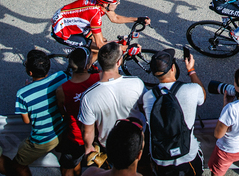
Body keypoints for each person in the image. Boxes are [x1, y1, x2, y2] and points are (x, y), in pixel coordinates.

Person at [51, 0, 150, 69]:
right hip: (63, 32)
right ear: (106, 3)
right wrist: (126, 48)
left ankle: (89, 65)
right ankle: (82, 71)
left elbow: (114, 18)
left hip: (73, 24)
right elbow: (100, 45)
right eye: (116, 2)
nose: (118, 3)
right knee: (99, 46)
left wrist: (138, 19)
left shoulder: (101, 3)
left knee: (103, 42)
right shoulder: (94, 15)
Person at [142, 49, 206, 176]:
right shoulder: (191, 90)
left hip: (161, 158)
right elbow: (202, 96)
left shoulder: (147, 97)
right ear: (172, 68)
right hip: (188, 155)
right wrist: (191, 70)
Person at [79, 42, 147, 156]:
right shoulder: (136, 83)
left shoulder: (88, 96)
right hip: (137, 138)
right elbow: (145, 107)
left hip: (109, 144)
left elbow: (88, 130)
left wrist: (88, 147)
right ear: (118, 62)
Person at [12, 49, 68, 176]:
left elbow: (26, 120)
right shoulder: (61, 76)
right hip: (62, 129)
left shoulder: (23, 94)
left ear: (30, 72)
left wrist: (28, 87)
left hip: (42, 139)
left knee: (17, 165)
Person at [55, 48, 99, 176]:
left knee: (67, 168)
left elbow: (62, 111)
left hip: (76, 136)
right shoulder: (98, 79)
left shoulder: (62, 89)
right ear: (88, 65)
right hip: (97, 132)